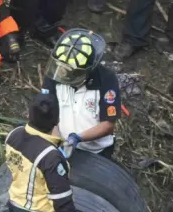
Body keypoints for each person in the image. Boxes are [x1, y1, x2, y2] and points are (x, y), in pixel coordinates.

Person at [46, 29, 123, 158]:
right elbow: (49, 109)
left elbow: (108, 125)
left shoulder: (106, 80)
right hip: (62, 144)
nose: (63, 75)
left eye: (70, 72)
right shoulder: (56, 72)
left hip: (96, 152)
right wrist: (56, 140)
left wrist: (78, 138)